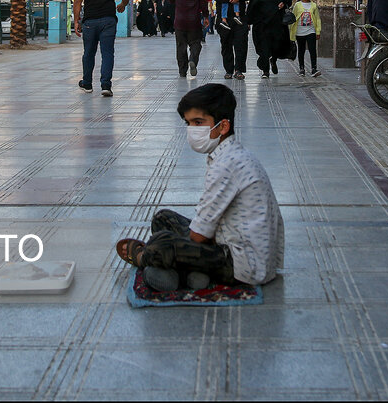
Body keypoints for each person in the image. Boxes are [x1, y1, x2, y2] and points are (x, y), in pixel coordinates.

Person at [114, 83, 284, 291]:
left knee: (162, 243)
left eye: (199, 122)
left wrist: (172, 244)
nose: (192, 131)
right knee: (163, 218)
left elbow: (199, 235)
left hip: (243, 264)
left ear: (223, 127)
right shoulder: (230, 154)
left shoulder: (226, 165)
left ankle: (144, 258)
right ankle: (193, 275)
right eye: (189, 123)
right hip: (232, 245)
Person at [73, 0, 129, 97]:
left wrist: (76, 21)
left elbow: (78, 1)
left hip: (90, 22)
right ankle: (106, 85)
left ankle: (87, 83)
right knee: (107, 53)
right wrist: (122, 6)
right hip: (108, 21)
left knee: (88, 53)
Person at [247, 0, 292, 78]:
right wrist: (248, 21)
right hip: (262, 24)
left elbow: (288, 0)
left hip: (277, 24)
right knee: (264, 48)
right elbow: (252, 7)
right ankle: (265, 71)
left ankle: (273, 60)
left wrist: (283, 4)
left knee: (276, 46)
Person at [214, 0, 252, 80]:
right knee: (226, 45)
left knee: (241, 45)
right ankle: (228, 70)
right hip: (225, 20)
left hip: (239, 20)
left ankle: (239, 69)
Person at [168, 0, 209, 78]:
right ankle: (193, 60)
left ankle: (182, 71)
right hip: (194, 21)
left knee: (181, 47)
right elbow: (204, 4)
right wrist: (206, 17)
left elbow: (170, 0)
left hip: (179, 21)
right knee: (196, 43)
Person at [290, 0, 322, 77]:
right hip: (300, 31)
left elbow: (318, 19)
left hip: (311, 30)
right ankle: (301, 68)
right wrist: (291, 31)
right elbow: (293, 17)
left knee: (312, 49)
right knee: (301, 50)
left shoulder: (314, 5)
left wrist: (318, 31)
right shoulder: (297, 5)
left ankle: (314, 68)